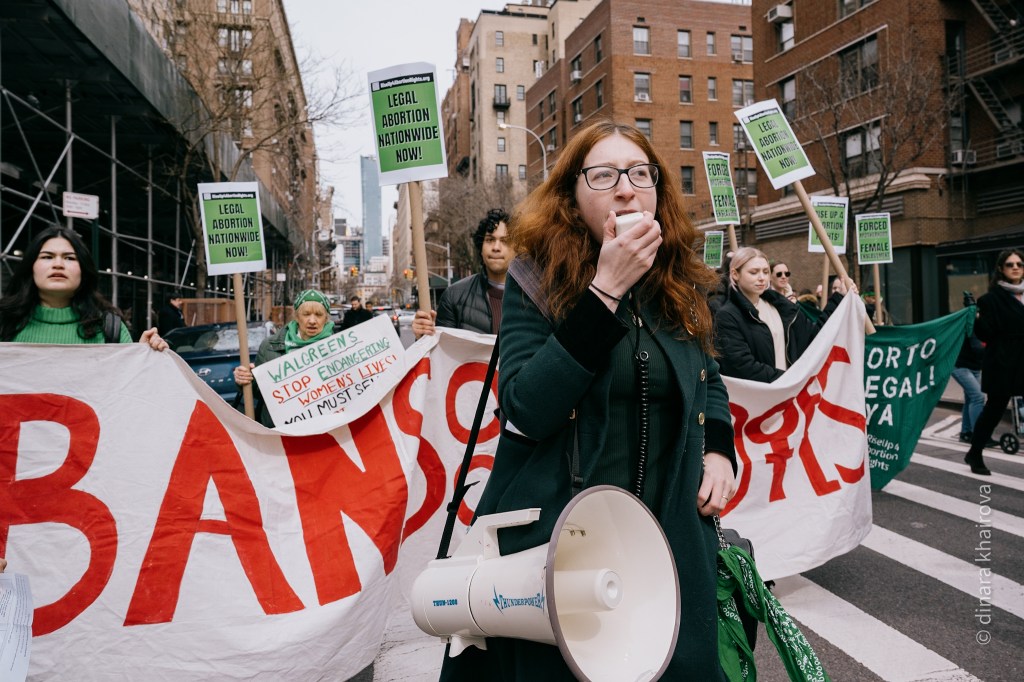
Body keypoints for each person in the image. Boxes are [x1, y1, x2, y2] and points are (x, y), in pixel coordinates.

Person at [439, 121, 736, 680]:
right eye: (603, 175)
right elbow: (527, 407)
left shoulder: (683, 283)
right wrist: (605, 293)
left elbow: (707, 379)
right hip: (563, 540)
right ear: (573, 201)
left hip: (668, 542)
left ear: (658, 192)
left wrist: (719, 449)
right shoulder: (537, 280)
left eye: (639, 173)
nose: (625, 188)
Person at [0, 225, 167, 350]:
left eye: (70, 258)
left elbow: (125, 392)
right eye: (47, 257)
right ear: (31, 266)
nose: (58, 264)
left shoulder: (109, 329)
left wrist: (140, 358)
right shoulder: (4, 323)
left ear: (83, 270)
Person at [713, 247, 849, 383]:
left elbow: (815, 335)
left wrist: (839, 298)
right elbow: (742, 367)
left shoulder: (782, 307)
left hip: (788, 398)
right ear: (735, 274)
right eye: (754, 272)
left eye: (765, 272)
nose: (761, 278)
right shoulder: (727, 316)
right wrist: (790, 380)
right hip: (759, 399)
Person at [233, 289, 334, 427]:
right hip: (279, 431)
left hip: (322, 428)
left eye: (318, 315)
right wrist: (245, 379)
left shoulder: (338, 347)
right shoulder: (270, 346)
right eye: (306, 314)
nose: (312, 321)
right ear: (297, 316)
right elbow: (258, 393)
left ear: (326, 318)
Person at [962, 248, 1024, 475]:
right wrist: (975, 316)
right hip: (1003, 361)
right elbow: (986, 334)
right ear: (1000, 269)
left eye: (1019, 263)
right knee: (994, 410)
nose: (1015, 267)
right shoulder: (990, 299)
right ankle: (975, 453)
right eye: (1010, 264)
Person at [412, 208, 514, 337]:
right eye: (489, 240)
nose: (496, 247)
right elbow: (439, 354)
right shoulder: (454, 297)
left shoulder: (535, 297)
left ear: (516, 248)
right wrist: (425, 335)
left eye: (504, 241)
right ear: (480, 248)